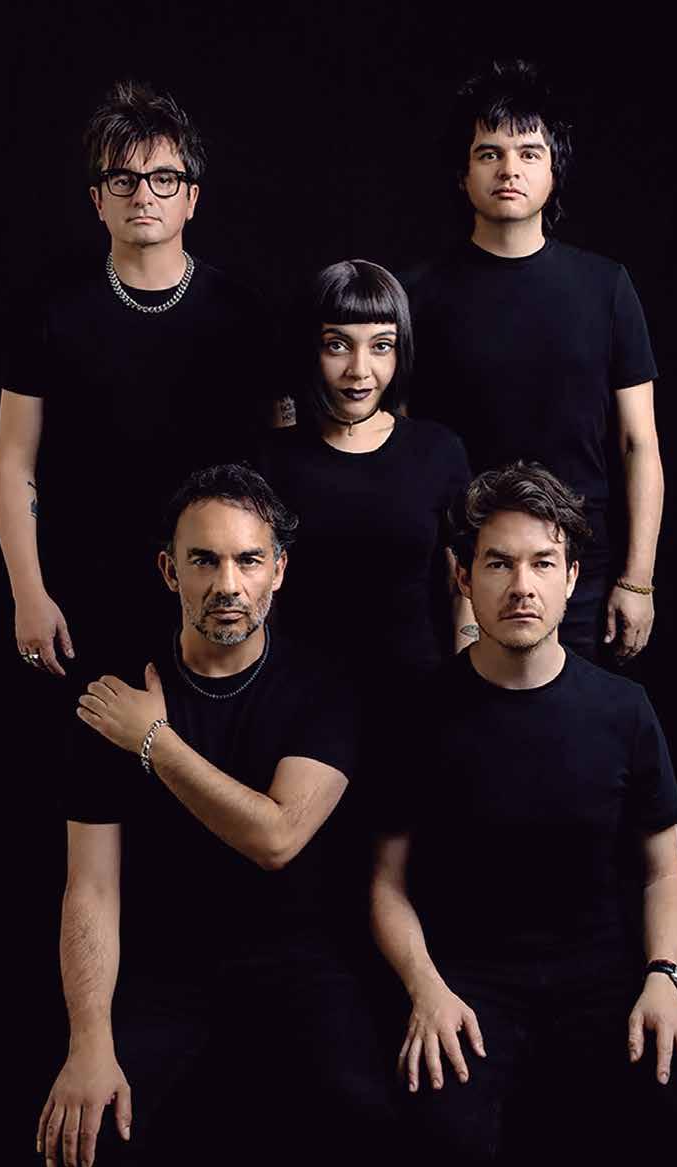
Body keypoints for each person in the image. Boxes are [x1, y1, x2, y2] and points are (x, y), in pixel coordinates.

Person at [371, 463, 677, 1167]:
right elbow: (385, 883)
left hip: (603, 978)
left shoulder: (622, 709)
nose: (521, 585)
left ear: (573, 578)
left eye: (541, 563)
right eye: (497, 563)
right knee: (441, 1151)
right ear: (464, 577)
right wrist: (424, 988)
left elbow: (664, 873)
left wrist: (664, 979)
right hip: (469, 985)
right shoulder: (419, 713)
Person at [35, 463, 396, 1167]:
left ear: (279, 570)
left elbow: (276, 838)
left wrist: (154, 741)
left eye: (247, 560)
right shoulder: (112, 697)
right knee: (86, 1139)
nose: (226, 584)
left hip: (301, 957)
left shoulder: (323, 686)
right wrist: (89, 1040)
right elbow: (91, 886)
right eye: (203, 560)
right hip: (167, 967)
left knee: (368, 1119)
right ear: (169, 570)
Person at [0, 80, 280, 681]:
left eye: (163, 178)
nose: (143, 194)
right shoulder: (50, 312)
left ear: (191, 198)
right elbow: (13, 460)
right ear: (98, 200)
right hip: (79, 589)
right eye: (123, 179)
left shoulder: (243, 313)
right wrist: (28, 592)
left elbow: (276, 458)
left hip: (211, 589)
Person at [403, 59, 663, 665]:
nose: (509, 169)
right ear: (463, 173)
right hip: (457, 568)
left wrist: (638, 580)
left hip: (577, 570)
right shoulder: (417, 295)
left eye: (528, 153)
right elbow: (400, 441)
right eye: (489, 154)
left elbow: (639, 444)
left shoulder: (606, 287)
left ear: (553, 171)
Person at [263, 260, 475, 921]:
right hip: (301, 707)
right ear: (312, 347)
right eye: (338, 345)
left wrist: (466, 678)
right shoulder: (272, 458)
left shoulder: (437, 451)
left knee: (409, 882)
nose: (360, 370)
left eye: (380, 346)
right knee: (309, 893)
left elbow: (462, 579)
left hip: (413, 697)